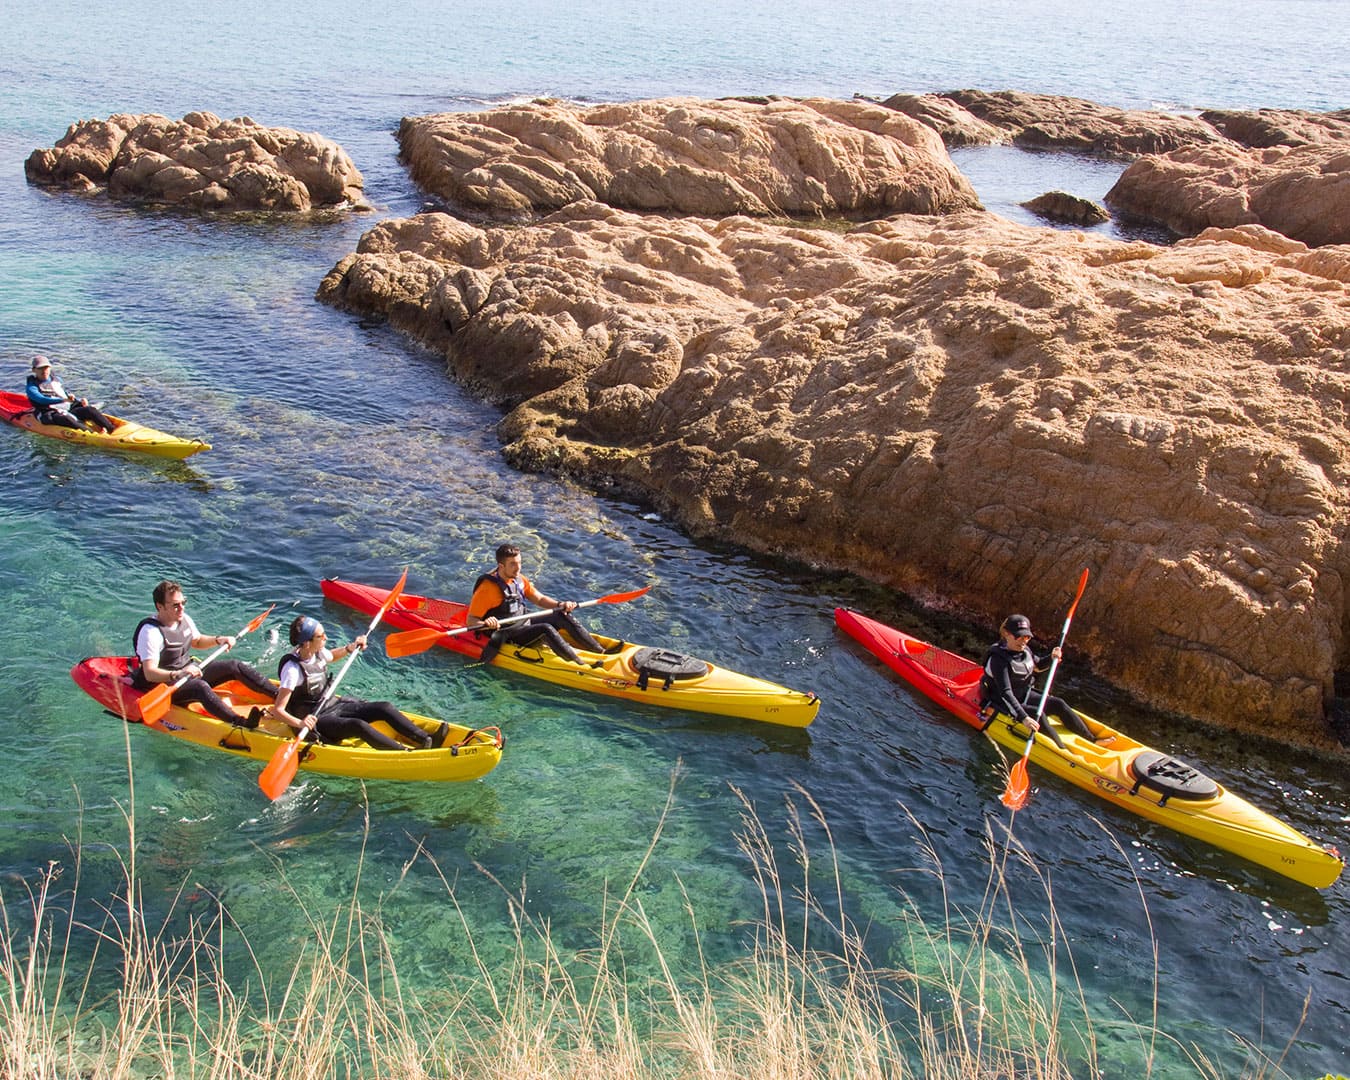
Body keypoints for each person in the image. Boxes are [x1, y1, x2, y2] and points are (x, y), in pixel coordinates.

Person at [272, 615, 448, 751]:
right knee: (358, 726)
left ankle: (425, 739)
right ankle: (402, 753)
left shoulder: (316, 651)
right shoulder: (292, 670)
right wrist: (301, 724)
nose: (325, 638)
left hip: (332, 704)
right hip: (317, 719)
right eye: (321, 636)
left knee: (384, 707)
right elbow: (278, 710)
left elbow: (331, 656)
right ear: (307, 643)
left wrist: (350, 647)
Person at [132, 580, 276, 727]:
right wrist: (178, 673)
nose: (181, 608)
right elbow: (150, 673)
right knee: (200, 687)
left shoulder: (183, 618)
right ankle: (240, 722)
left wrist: (219, 640)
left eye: (183, 602)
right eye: (176, 605)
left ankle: (280, 695)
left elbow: (198, 641)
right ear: (159, 606)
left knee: (234, 665)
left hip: (188, 672)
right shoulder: (151, 633)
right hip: (165, 684)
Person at [466, 543, 618, 667]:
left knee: (560, 614)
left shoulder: (519, 579)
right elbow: (471, 620)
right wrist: (487, 623)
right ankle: (582, 665)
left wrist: (560, 604)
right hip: (507, 632)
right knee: (545, 629)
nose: (518, 568)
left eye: (519, 562)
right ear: (501, 566)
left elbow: (539, 599)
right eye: (512, 564)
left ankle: (600, 651)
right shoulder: (487, 589)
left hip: (523, 621)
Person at [978, 613, 1098, 748]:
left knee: (1058, 703)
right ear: (1006, 633)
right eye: (1018, 636)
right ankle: (1063, 752)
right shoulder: (998, 660)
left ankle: (1092, 740)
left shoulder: (1025, 650)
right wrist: (1024, 718)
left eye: (1027, 636)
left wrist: (1052, 657)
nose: (1023, 640)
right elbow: (1006, 693)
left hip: (1023, 695)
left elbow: (1038, 666)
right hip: (1002, 701)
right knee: (1037, 715)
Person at [25, 356, 115, 434]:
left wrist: (79, 401)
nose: (44, 371)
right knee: (66, 418)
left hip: (65, 408)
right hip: (48, 413)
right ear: (34, 370)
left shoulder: (55, 380)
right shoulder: (31, 387)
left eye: (46, 367)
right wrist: (63, 400)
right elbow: (41, 399)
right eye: (40, 368)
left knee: (90, 409)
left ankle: (112, 429)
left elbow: (63, 393)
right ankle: (94, 435)